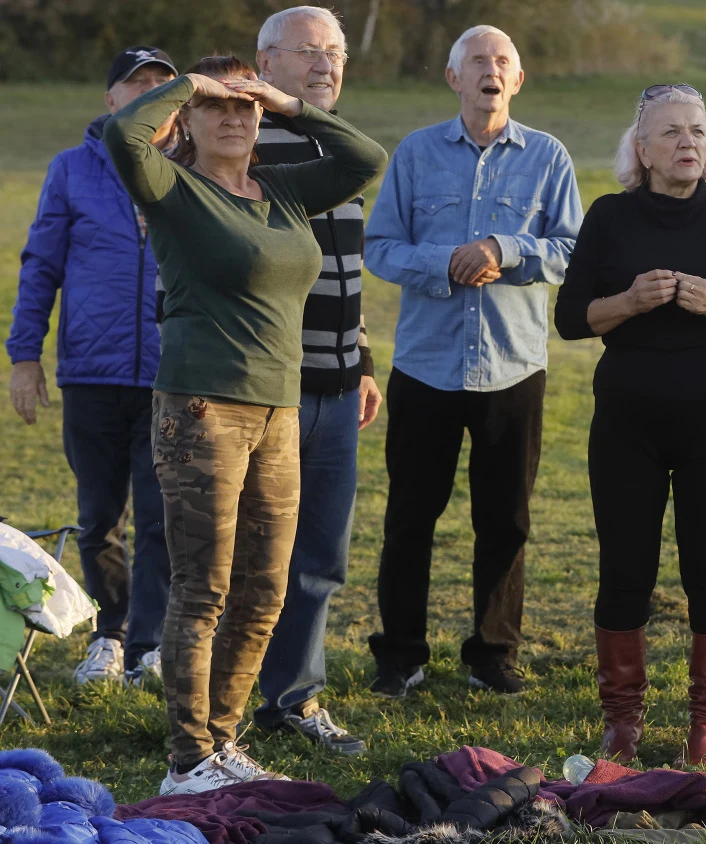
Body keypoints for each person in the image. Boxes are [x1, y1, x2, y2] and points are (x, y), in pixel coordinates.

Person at [103, 54, 386, 794]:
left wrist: (288, 102)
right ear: (189, 122)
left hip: (280, 409)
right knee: (204, 588)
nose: (234, 117)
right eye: (217, 106)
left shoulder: (285, 190)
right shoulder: (173, 187)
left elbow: (365, 157)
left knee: (264, 589)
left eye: (244, 107)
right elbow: (121, 136)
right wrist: (188, 84)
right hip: (201, 408)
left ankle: (223, 742)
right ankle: (187, 759)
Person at [555, 84, 706, 766]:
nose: (689, 142)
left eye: (697, 130)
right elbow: (570, 319)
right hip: (628, 414)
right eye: (672, 133)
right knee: (625, 568)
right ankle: (621, 718)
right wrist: (626, 301)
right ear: (643, 149)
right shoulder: (610, 216)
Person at [364, 25, 582, 698]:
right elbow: (379, 247)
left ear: (517, 81)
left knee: (505, 517)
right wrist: (446, 264)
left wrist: (503, 249)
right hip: (425, 366)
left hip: (513, 369)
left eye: (503, 62)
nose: (491, 70)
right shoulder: (416, 153)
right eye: (477, 61)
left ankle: (492, 653)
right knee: (409, 515)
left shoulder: (548, 157)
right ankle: (400, 653)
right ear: (454, 79)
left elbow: (573, 249)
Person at [6, 47, 178, 688]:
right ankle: (110, 635)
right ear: (110, 99)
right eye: (136, 85)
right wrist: (25, 357)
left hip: (175, 374)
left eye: (163, 85)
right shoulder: (72, 170)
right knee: (101, 515)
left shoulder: (192, 169)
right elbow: (40, 264)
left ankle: (151, 645)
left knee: (163, 515)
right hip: (91, 372)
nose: (149, 94)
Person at [249, 5, 381, 756]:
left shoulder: (343, 148)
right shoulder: (245, 144)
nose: (326, 63)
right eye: (308, 51)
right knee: (253, 551)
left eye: (334, 52)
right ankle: (221, 700)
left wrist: (360, 359)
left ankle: (292, 698)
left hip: (337, 388)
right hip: (267, 387)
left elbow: (344, 275)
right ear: (266, 64)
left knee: (320, 554)